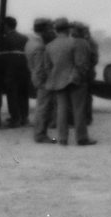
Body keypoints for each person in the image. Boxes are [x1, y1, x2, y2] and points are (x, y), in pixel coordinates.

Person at [44, 17, 97, 146]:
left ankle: (62, 139)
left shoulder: (50, 46)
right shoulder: (77, 42)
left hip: (58, 81)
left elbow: (47, 67)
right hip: (76, 81)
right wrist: (79, 77)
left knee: (61, 109)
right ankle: (81, 138)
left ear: (56, 30)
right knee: (78, 110)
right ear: (68, 29)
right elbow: (81, 64)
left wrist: (55, 77)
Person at [26, 17, 57, 143]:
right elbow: (40, 68)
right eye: (49, 28)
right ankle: (40, 134)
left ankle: (40, 133)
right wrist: (44, 82)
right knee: (43, 108)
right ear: (44, 29)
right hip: (43, 81)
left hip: (36, 77)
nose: (51, 31)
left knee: (41, 106)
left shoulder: (30, 43)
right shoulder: (40, 46)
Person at [1, 16, 30, 127]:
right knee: (23, 94)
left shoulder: (5, 39)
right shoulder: (24, 38)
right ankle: (24, 117)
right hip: (24, 70)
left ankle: (15, 118)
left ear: (6, 26)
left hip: (11, 71)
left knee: (12, 95)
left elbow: (3, 57)